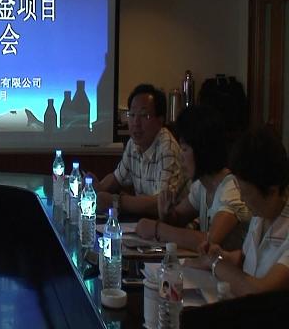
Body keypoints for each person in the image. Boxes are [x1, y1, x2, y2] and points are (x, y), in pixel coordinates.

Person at [186, 127, 289, 296]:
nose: (241, 198)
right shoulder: (261, 214)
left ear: (272, 191)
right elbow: (249, 262)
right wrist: (222, 256)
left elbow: (261, 291)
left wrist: (214, 264)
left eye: (246, 192)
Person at [135, 106, 251, 251]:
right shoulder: (201, 186)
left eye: (184, 149)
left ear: (202, 150)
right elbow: (178, 219)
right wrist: (166, 214)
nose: (180, 156)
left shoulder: (231, 188)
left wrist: (157, 229)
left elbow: (210, 241)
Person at [95, 84, 187, 217]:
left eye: (144, 116)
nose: (136, 123)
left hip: (173, 224)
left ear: (160, 120)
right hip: (145, 221)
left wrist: (117, 202)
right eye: (132, 115)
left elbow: (160, 204)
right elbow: (116, 178)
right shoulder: (134, 143)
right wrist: (96, 188)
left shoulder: (168, 149)